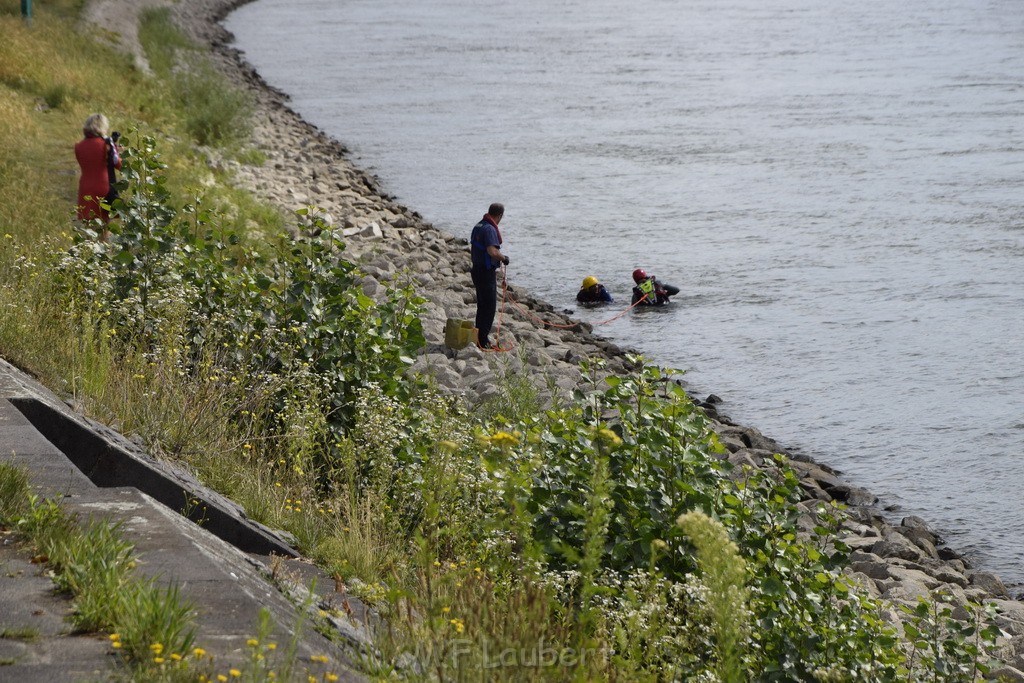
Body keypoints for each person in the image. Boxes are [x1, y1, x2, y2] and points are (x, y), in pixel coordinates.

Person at [470, 202, 509, 349]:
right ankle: (483, 341)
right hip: (485, 273)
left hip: (477, 270)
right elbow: (492, 251)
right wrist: (504, 258)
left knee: (482, 305)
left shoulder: (479, 226)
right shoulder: (489, 229)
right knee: (489, 307)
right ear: (499, 215)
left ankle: (478, 337)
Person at [75, 113, 121, 234]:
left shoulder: (79, 146)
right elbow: (119, 164)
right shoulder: (106, 145)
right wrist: (116, 151)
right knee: (104, 229)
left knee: (87, 229)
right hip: (103, 188)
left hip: (85, 189)